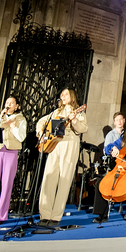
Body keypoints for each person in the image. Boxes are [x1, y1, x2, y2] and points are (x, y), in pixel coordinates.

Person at [36, 88, 88, 228]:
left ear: (72, 97)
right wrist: (40, 132)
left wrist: (74, 120)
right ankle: (45, 214)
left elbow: (83, 128)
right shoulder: (56, 112)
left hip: (70, 144)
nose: (63, 96)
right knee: (49, 178)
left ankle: (56, 216)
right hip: (55, 145)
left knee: (64, 179)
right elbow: (41, 121)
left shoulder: (79, 112)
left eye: (66, 94)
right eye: (62, 94)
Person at [0, 96, 27, 225]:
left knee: (6, 184)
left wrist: (13, 126)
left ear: (17, 106)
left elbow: (21, 137)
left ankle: (1, 215)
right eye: (7, 102)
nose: (9, 105)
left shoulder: (21, 119)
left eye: (12, 103)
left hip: (11, 151)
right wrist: (0, 117)